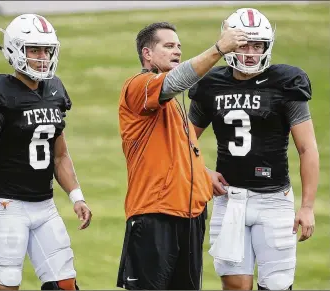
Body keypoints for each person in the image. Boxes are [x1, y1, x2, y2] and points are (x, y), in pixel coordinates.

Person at [188, 8, 319, 291]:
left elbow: (307, 148)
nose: (250, 52)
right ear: (228, 43)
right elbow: (183, 138)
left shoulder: (285, 82)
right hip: (230, 199)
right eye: (243, 44)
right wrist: (201, 170)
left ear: (267, 46)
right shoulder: (211, 84)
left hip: (274, 200)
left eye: (257, 45)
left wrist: (307, 206)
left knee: (277, 286)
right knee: (235, 286)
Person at [116, 21, 248, 290]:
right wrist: (219, 49)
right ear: (147, 54)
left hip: (188, 218)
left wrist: (201, 174)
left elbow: (176, 151)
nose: (177, 51)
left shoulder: (173, 106)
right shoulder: (138, 86)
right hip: (155, 216)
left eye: (179, 46)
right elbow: (178, 80)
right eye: (168, 46)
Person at [0, 14, 92, 290]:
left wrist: (77, 197)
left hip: (45, 206)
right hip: (8, 206)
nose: (42, 56)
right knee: (6, 285)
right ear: (15, 49)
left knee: (65, 284)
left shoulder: (55, 90)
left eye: (46, 49)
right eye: (34, 49)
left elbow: (60, 155)